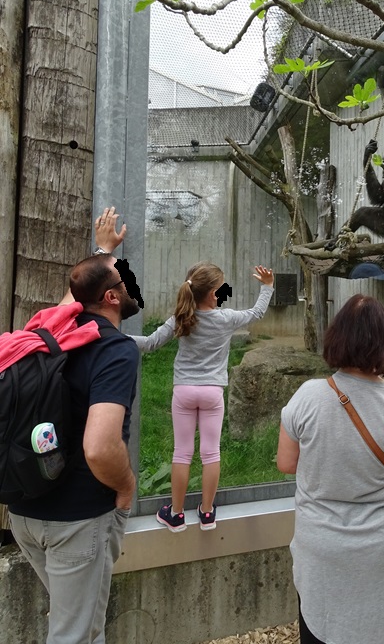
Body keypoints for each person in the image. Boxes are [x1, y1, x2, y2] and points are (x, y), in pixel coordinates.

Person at [277, 294, 384, 644]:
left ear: (335, 338)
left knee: (320, 629)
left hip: (323, 548)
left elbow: (286, 463)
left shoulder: (306, 396)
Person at [8, 248, 141, 644]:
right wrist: (127, 486)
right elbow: (100, 447)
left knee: (83, 624)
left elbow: (77, 295)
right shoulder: (115, 349)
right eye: (125, 279)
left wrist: (103, 250)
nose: (133, 284)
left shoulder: (49, 331)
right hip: (76, 521)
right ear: (113, 297)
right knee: (73, 634)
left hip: (24, 511)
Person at [131, 262, 274, 532]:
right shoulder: (227, 318)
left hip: (184, 390)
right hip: (212, 393)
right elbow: (257, 312)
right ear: (212, 294)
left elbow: (149, 343)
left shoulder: (182, 317)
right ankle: (207, 514)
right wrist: (267, 287)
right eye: (220, 288)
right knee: (211, 453)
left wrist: (113, 336)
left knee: (182, 453)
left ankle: (175, 515)